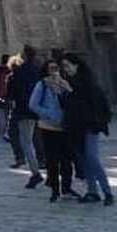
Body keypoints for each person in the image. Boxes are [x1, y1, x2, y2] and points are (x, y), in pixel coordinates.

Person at [61, 52, 114, 206]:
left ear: (76, 65)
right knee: (84, 159)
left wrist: (71, 91)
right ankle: (92, 191)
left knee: (92, 157)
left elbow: (89, 102)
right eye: (64, 66)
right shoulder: (68, 82)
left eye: (68, 65)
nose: (66, 69)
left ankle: (107, 192)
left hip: (90, 125)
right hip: (75, 127)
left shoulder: (87, 81)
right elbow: (68, 106)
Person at [29, 59, 75, 203]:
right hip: (48, 127)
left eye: (56, 68)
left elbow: (72, 99)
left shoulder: (63, 83)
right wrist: (48, 114)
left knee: (66, 159)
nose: (54, 71)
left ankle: (67, 187)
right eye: (51, 68)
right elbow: (33, 104)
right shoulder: (42, 85)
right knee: (52, 160)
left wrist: (67, 89)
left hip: (64, 126)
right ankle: (55, 190)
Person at [6, 46, 43, 183]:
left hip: (23, 110)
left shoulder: (18, 72)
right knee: (37, 137)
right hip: (38, 109)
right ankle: (41, 162)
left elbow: (11, 93)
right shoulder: (37, 70)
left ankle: (35, 172)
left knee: (26, 141)